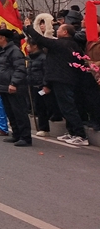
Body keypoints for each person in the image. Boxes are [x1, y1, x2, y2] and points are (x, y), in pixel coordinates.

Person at [24, 15, 89, 146]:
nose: (56, 30)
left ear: (65, 32)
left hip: (63, 79)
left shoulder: (63, 44)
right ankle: (71, 132)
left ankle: (80, 135)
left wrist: (29, 27)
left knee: (69, 107)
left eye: (59, 29)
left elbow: (40, 39)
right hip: (63, 79)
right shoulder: (69, 44)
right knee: (66, 108)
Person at [0, 28, 31, 147]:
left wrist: (14, 83)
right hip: (4, 87)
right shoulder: (1, 51)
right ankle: (16, 134)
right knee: (10, 112)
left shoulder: (14, 51)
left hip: (14, 87)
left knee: (19, 112)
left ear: (3, 38)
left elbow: (20, 68)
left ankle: (25, 137)